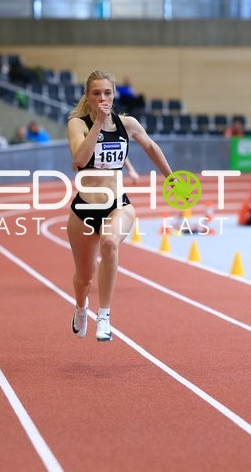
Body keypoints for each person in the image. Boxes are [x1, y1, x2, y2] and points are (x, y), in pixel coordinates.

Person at [67, 70, 175, 341]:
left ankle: (104, 315)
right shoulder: (78, 124)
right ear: (88, 96)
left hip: (117, 204)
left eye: (107, 92)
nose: (102, 98)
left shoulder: (127, 124)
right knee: (84, 278)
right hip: (84, 208)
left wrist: (170, 177)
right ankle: (81, 307)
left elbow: (150, 147)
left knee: (109, 244)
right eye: (96, 93)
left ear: (114, 95)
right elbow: (79, 159)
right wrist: (98, 123)